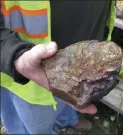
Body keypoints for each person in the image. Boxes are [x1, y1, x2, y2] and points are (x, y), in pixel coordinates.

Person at [0, 0, 116, 134]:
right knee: (33, 125)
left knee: (67, 101)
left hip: (82, 52)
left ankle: (67, 120)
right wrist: (12, 53)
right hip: (29, 75)